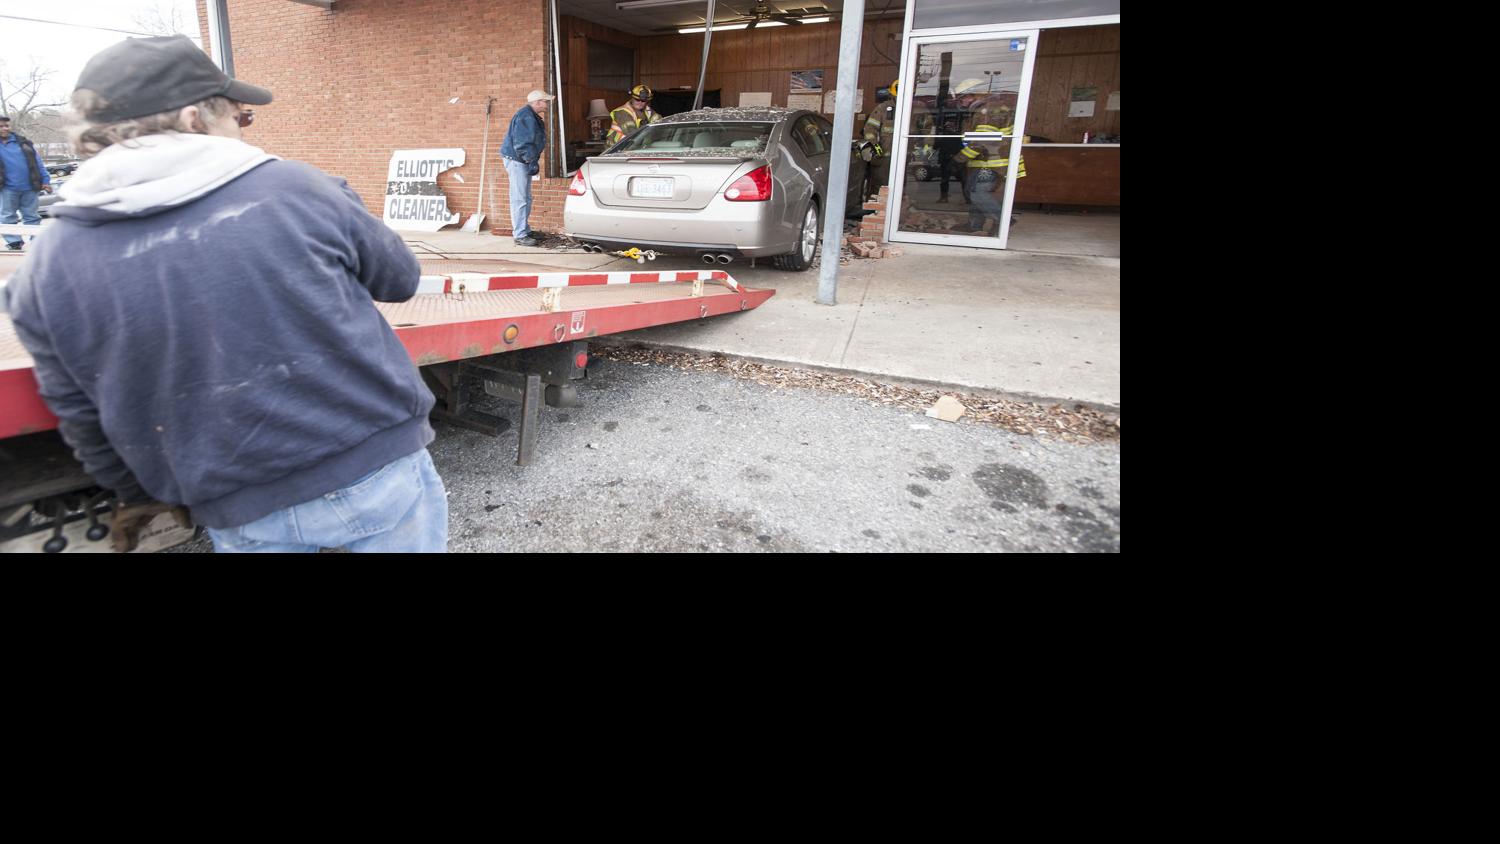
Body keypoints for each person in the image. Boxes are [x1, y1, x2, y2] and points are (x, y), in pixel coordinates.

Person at [3, 35, 448, 553]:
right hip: (375, 466)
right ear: (194, 119)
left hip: (237, 506)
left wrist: (134, 492)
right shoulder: (298, 188)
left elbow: (80, 410)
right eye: (241, 118)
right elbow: (400, 279)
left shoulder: (44, 267)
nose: (243, 130)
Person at [500, 89, 553, 247]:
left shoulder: (530, 115)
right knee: (519, 198)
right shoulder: (526, 116)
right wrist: (531, 160)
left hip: (520, 160)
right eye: (545, 101)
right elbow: (522, 142)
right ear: (537, 102)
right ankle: (520, 235)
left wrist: (530, 160)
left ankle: (525, 230)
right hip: (518, 161)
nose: (547, 104)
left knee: (525, 198)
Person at [0, 115, 53, 251]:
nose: (5, 128)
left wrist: (45, 180)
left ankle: (36, 242)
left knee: (32, 216)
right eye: (1, 126)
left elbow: (38, 163)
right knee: (7, 217)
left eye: (6, 125)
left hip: (30, 187)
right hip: (6, 189)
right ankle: (14, 243)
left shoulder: (23, 143)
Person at [862, 81, 898, 198]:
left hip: (902, 157)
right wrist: (876, 147)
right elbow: (869, 130)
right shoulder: (883, 108)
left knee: (898, 186)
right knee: (880, 185)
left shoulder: (912, 109)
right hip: (884, 157)